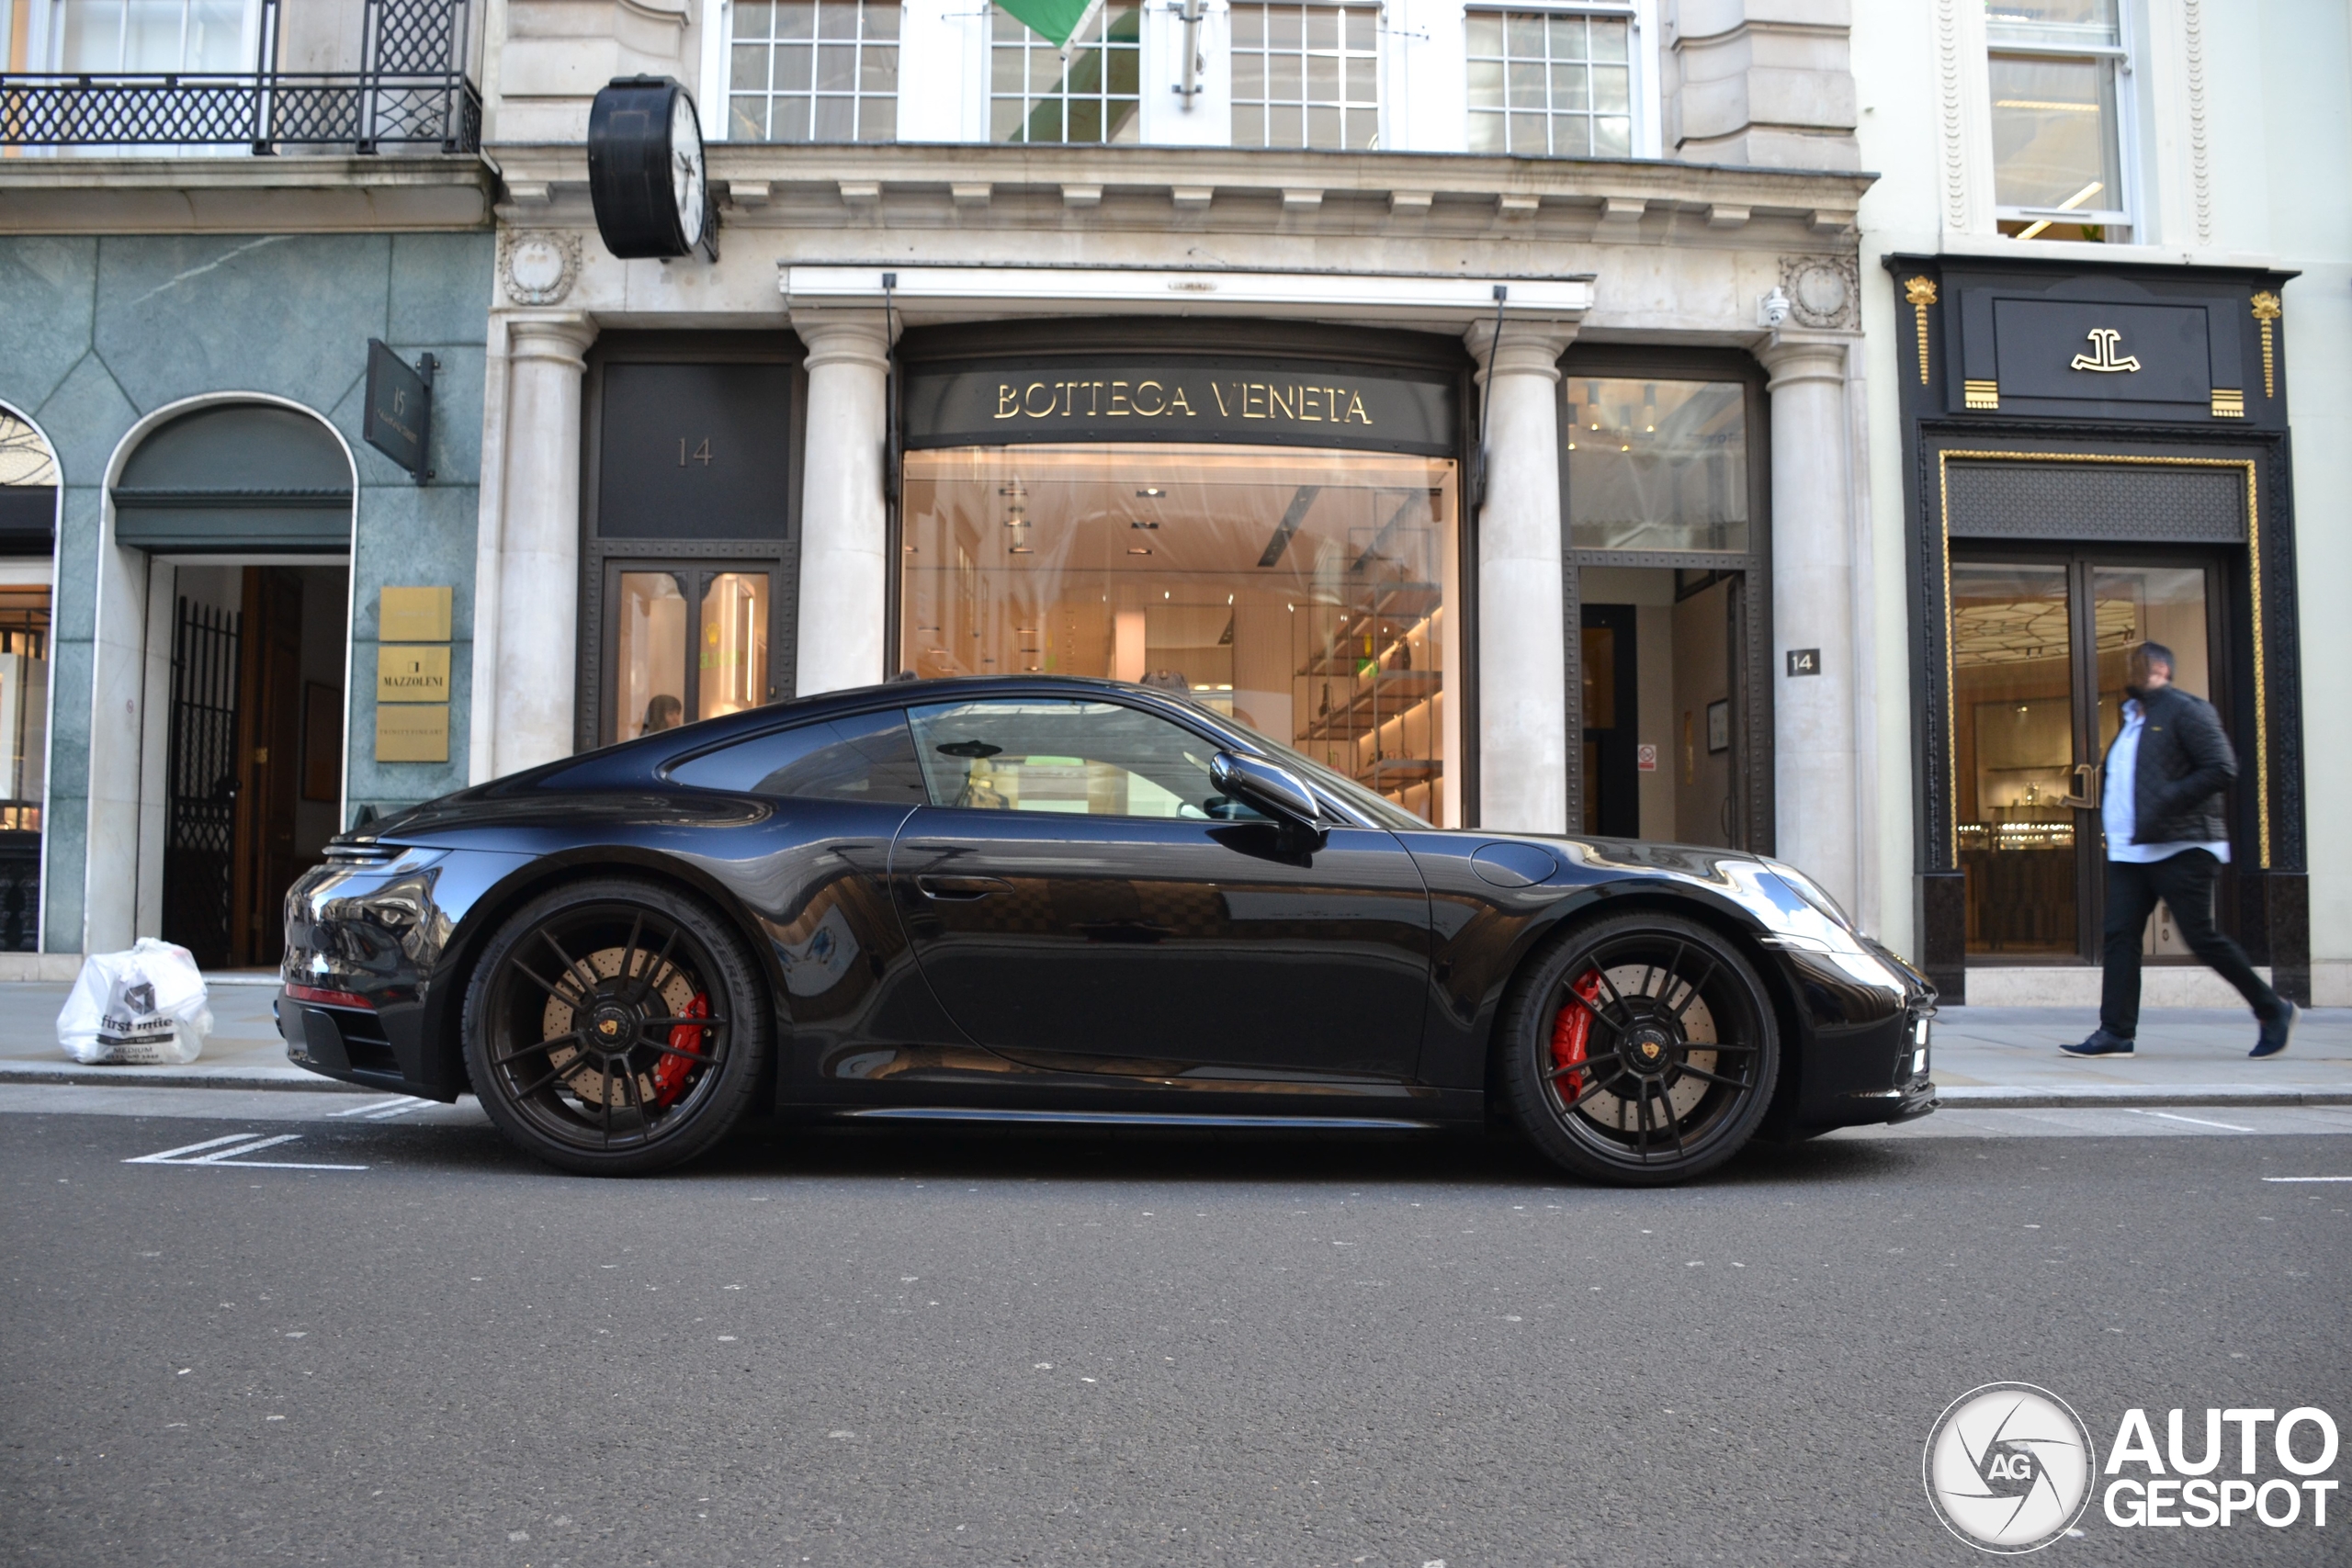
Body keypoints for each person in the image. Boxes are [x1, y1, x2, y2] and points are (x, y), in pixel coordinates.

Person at [2064, 641, 2298, 1059]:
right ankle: (2115, 1032)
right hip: (2132, 850)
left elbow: (2221, 766)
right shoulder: (2135, 718)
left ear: (2158, 669)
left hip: (2182, 845)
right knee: (2120, 936)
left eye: (2133, 666)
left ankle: (2272, 1008)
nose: (2126, 674)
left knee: (2200, 938)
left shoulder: (2187, 710)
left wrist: (2167, 797)